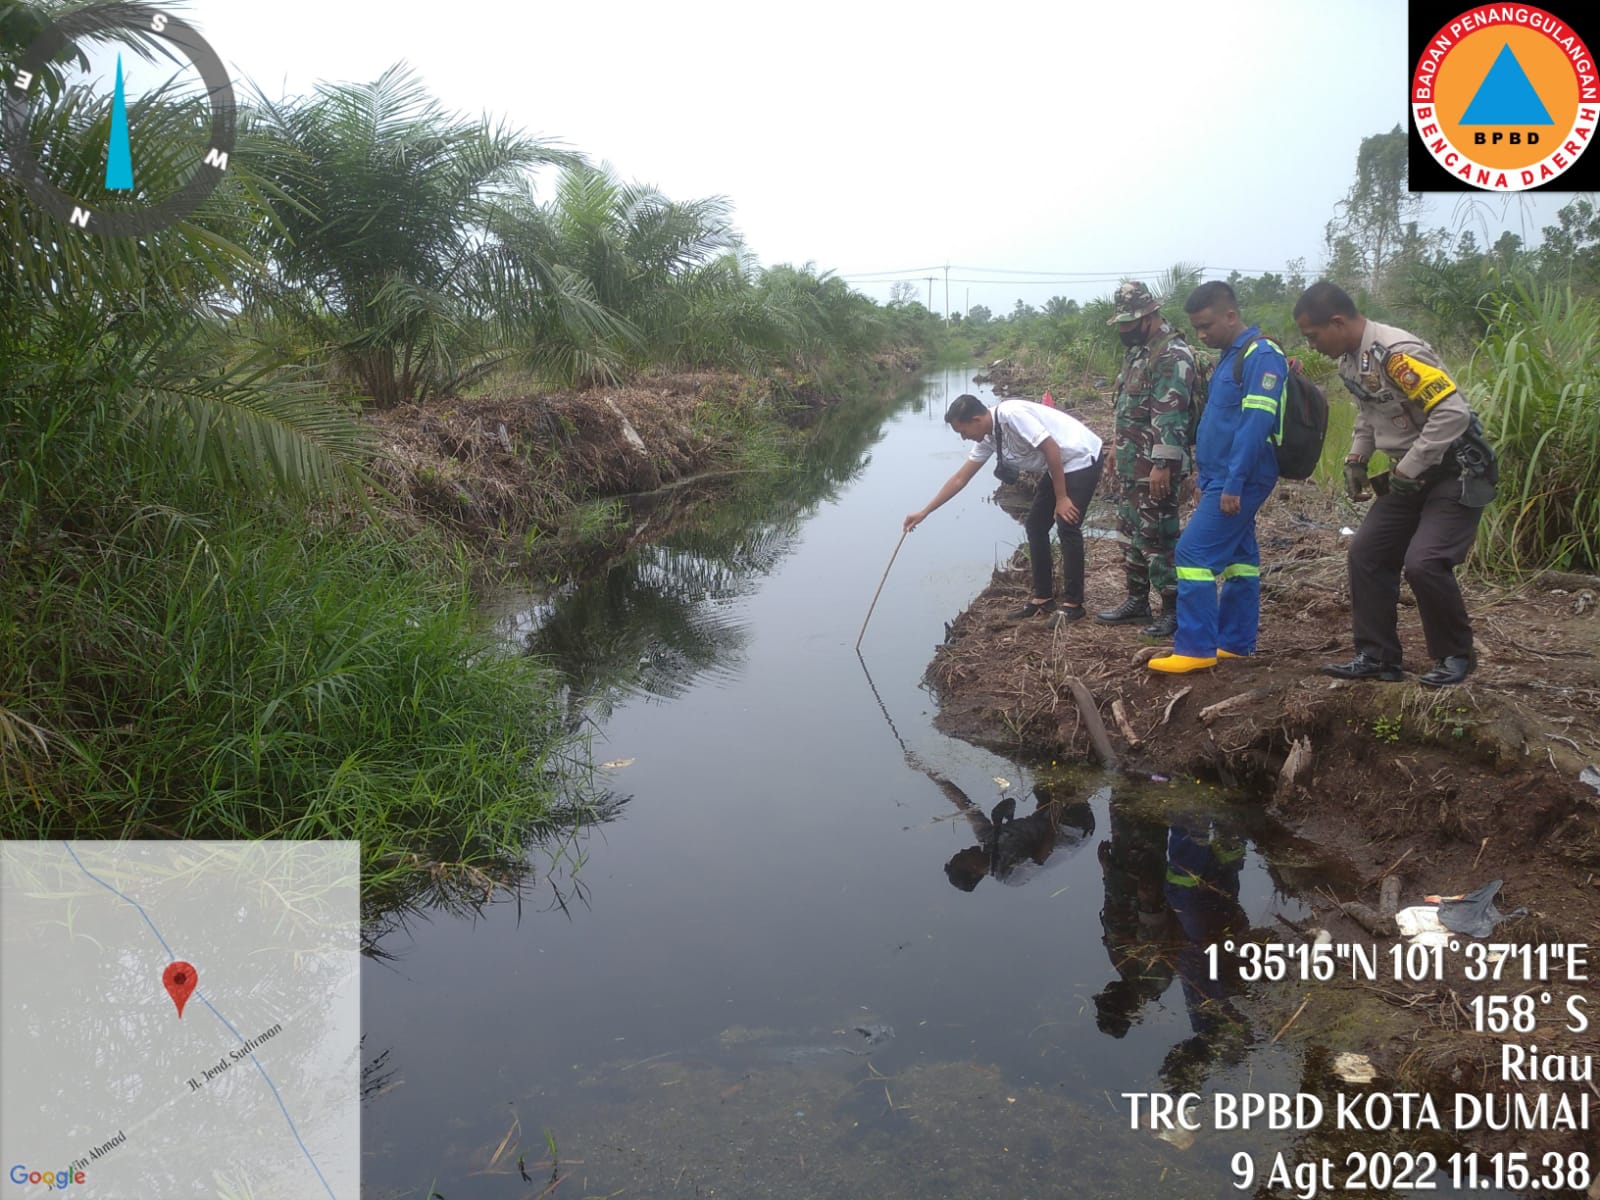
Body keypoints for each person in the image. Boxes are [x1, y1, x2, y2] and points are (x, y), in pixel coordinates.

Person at [1294, 281, 1498, 687]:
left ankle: (1455, 656)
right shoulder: (1352, 361)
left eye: (1313, 336)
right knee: (1366, 553)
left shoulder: (1398, 353)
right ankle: (1377, 657)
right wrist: (1357, 457)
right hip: (1410, 479)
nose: (1311, 346)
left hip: (1455, 471)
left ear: (1337, 321)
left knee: (1424, 562)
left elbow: (1452, 413)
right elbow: (1369, 412)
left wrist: (1409, 467)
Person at [1148, 282, 1285, 673]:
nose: (1201, 335)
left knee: (1192, 554)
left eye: (1207, 326)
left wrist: (1234, 483)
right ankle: (1236, 642)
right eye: (1196, 329)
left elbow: (1256, 423)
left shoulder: (1261, 355)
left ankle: (1195, 647)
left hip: (1240, 477)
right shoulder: (1230, 357)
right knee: (1241, 559)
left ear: (1230, 315)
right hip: (1219, 476)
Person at [905, 393, 1103, 620]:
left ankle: (1073, 604)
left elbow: (1051, 448)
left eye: (962, 431)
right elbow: (960, 478)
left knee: (1067, 523)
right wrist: (924, 512)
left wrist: (1061, 497)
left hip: (1080, 456)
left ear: (976, 420)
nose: (963, 438)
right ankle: (1043, 599)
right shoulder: (988, 437)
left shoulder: (1012, 415)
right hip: (1058, 464)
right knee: (1036, 526)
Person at [1096, 280, 1200, 639]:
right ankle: (1137, 602)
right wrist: (1113, 448)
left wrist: (1162, 466)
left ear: (1149, 316)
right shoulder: (1137, 352)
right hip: (1130, 462)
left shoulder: (1172, 355)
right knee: (1129, 536)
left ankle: (1172, 609)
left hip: (1154, 468)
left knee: (1159, 539)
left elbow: (1171, 415)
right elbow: (1126, 407)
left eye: (1129, 322)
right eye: (1121, 323)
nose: (1123, 329)